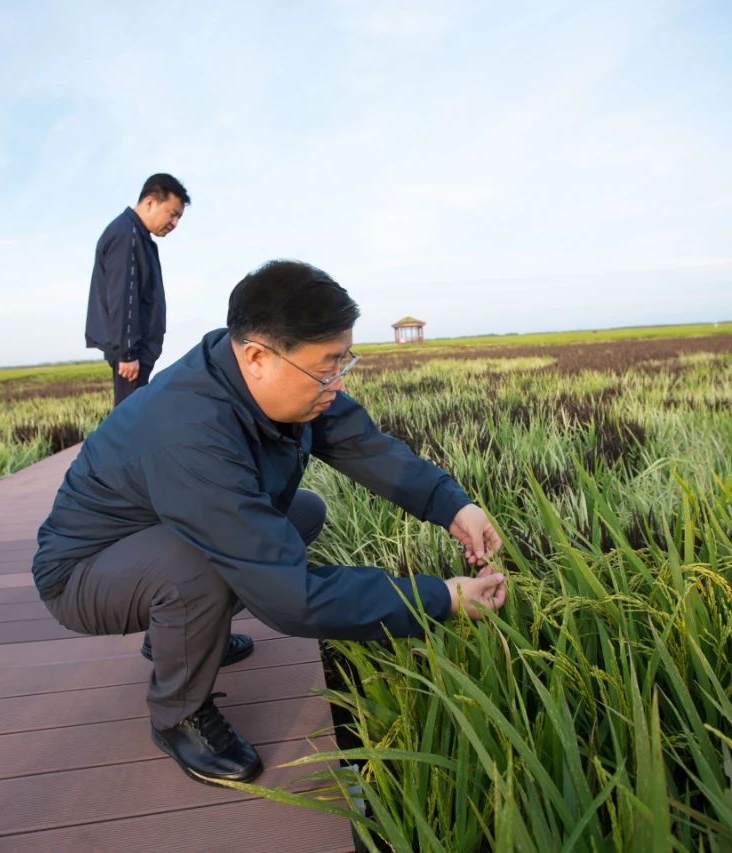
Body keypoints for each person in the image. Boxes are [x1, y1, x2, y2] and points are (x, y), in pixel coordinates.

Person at [33, 260, 508, 786]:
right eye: (326, 367)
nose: (336, 382)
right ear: (257, 357)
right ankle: (177, 716)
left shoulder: (277, 377)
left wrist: (453, 506)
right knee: (199, 569)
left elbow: (363, 444)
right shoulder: (190, 432)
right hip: (81, 573)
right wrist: (440, 598)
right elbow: (291, 597)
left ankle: (180, 636)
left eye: (343, 362)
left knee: (303, 512)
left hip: (149, 540)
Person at [84, 173, 190, 406]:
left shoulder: (136, 235)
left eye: (179, 218)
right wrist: (128, 353)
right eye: (172, 215)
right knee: (128, 420)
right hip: (132, 353)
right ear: (151, 202)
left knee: (132, 416)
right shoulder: (127, 235)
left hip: (136, 350)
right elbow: (123, 296)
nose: (174, 224)